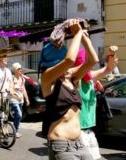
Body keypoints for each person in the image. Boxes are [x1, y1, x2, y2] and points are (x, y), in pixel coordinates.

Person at [40, 18, 97, 160]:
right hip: (61, 144)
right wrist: (76, 33)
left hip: (79, 143)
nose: (66, 68)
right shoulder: (47, 78)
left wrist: (83, 35)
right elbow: (70, 60)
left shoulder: (70, 77)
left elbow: (92, 61)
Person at [75, 46, 118, 160]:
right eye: (89, 61)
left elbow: (108, 69)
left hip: (89, 129)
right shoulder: (76, 80)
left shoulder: (91, 79)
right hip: (78, 131)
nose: (92, 65)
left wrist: (112, 55)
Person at [10, 62, 30, 138]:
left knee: (17, 116)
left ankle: (15, 131)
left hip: (20, 100)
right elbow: (11, 90)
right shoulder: (12, 78)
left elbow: (23, 90)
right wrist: (16, 95)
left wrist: (27, 99)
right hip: (14, 100)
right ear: (15, 70)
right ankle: (15, 130)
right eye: (19, 69)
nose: (21, 70)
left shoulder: (22, 79)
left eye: (21, 68)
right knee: (19, 115)